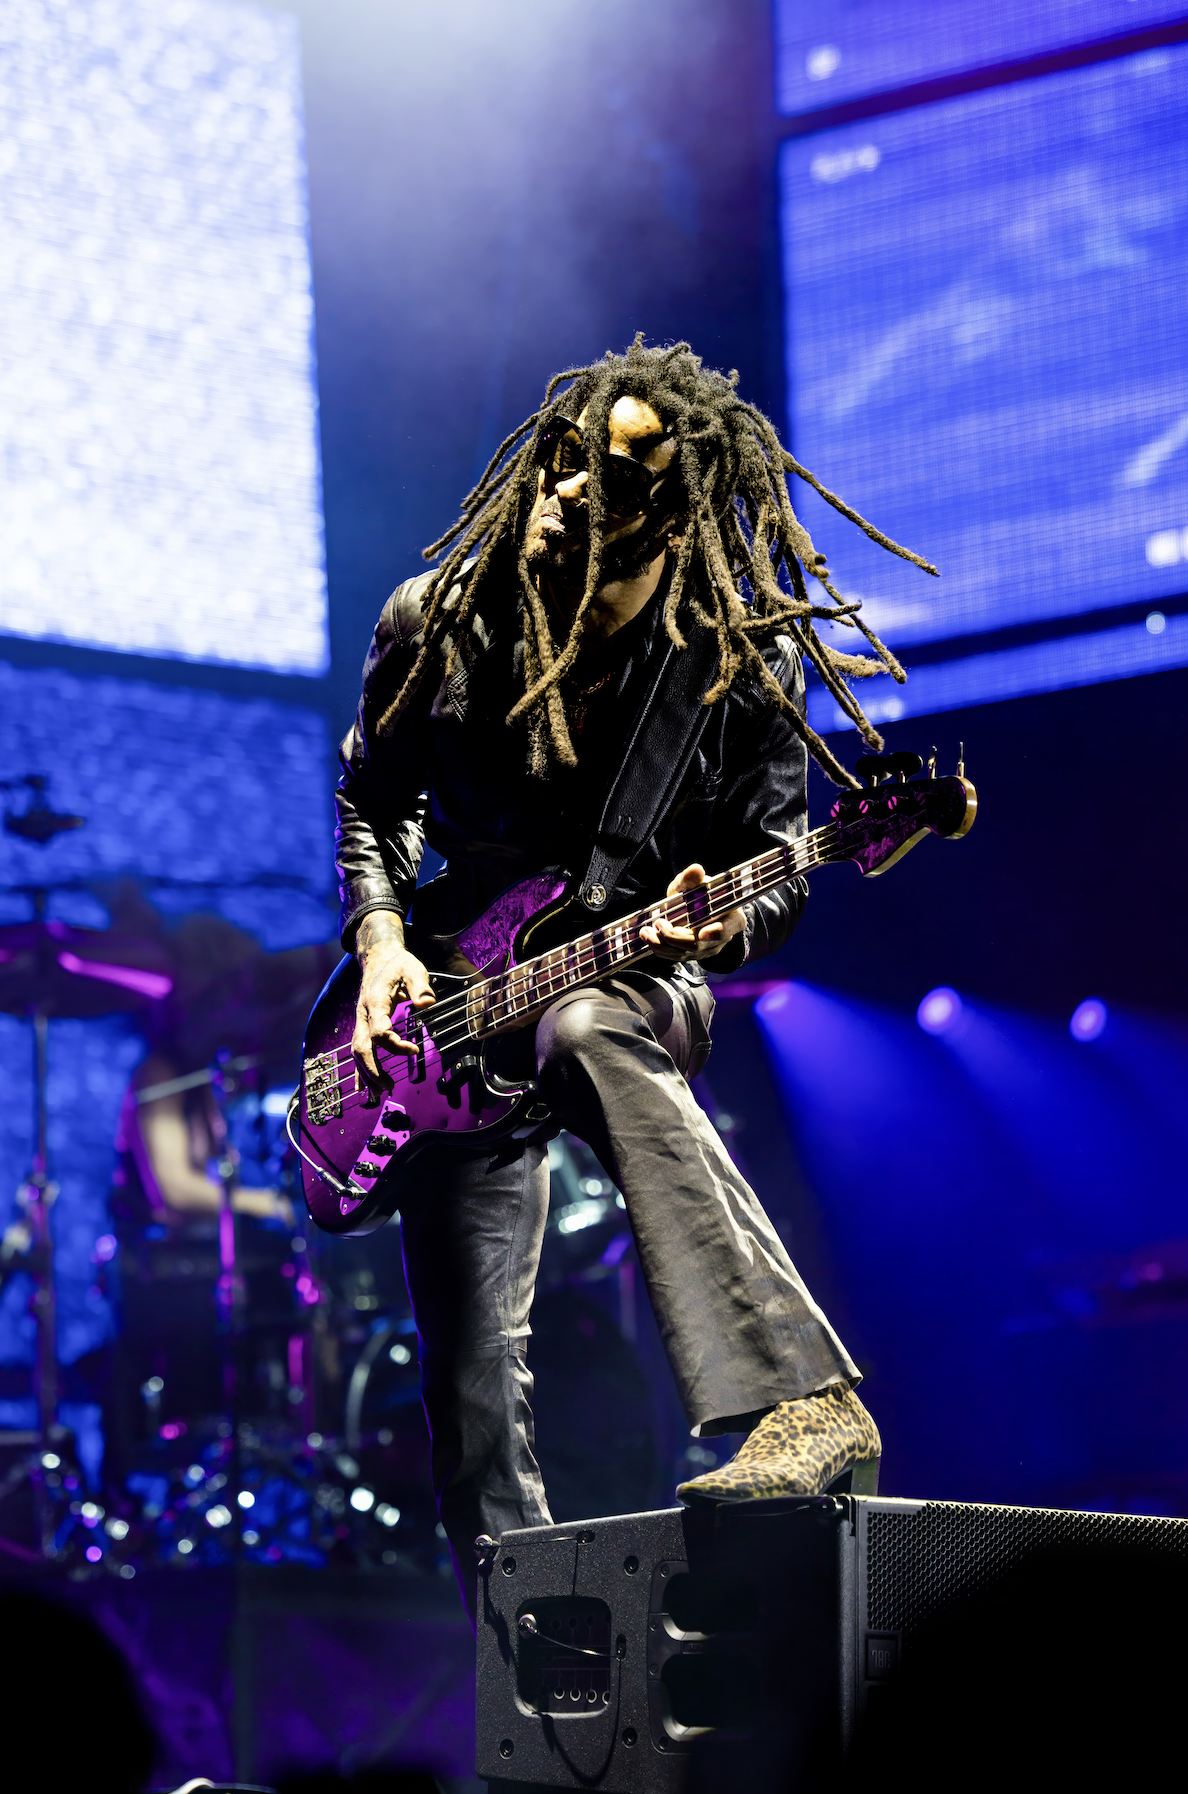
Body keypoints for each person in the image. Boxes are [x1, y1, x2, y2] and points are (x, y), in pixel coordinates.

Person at [336, 338, 937, 1619]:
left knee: (585, 1022)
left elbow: (778, 871)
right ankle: (534, 1678)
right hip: (451, 1008)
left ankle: (802, 1399)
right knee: (468, 1399)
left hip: (635, 971)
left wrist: (714, 929)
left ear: (674, 514)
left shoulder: (735, 666)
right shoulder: (436, 619)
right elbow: (371, 800)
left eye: (610, 478)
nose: (565, 490)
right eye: (563, 459)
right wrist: (383, 942)